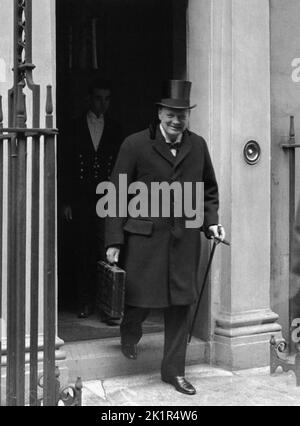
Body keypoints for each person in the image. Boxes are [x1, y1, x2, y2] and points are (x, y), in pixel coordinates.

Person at [105, 80, 225, 395]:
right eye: (171, 114)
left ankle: (174, 371)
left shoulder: (198, 145)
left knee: (181, 304)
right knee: (139, 301)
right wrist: (114, 241)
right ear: (160, 112)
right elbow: (116, 194)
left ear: (188, 116)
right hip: (145, 240)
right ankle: (129, 334)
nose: (176, 121)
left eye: (182, 115)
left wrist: (211, 223)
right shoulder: (134, 144)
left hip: (185, 240)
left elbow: (208, 189)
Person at [63, 79, 122, 321]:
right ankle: (84, 301)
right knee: (83, 249)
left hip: (106, 197)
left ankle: (108, 306)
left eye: (107, 99)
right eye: (98, 98)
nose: (103, 103)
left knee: (106, 249)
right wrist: (66, 200)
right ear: (89, 98)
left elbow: (121, 166)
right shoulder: (74, 126)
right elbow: (65, 165)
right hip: (81, 198)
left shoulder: (116, 128)